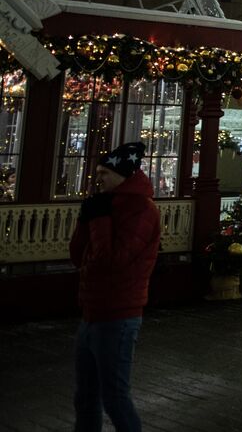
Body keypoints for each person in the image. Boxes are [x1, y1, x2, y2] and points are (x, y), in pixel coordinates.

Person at [69, 141, 161, 432]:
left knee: (115, 397)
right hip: (92, 310)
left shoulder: (141, 210)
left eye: (103, 173)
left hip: (118, 314)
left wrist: (97, 220)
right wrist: (87, 221)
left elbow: (112, 261)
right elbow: (78, 256)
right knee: (85, 396)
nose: (98, 179)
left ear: (122, 174)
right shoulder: (106, 207)